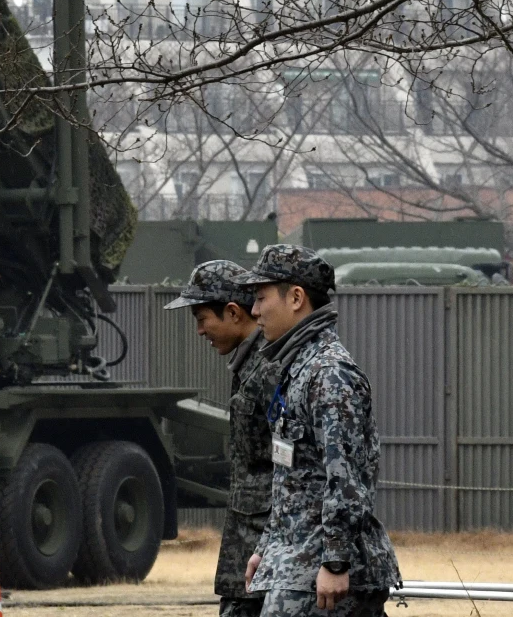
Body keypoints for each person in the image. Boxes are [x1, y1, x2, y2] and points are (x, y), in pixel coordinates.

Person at [237, 245, 400, 616]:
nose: (254, 311)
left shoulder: (329, 374)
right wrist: (267, 547)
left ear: (296, 298)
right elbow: (294, 478)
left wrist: (336, 561)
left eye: (261, 298)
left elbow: (346, 477)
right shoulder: (299, 369)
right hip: (296, 563)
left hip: (318, 572)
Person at [165, 260, 275, 617]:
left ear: (232, 312)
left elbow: (293, 470)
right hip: (251, 552)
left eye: (202, 319)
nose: (200, 331)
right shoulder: (251, 366)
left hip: (266, 556)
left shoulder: (268, 369)